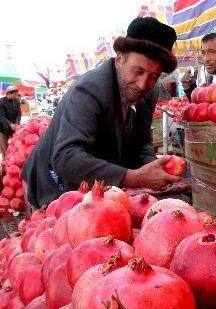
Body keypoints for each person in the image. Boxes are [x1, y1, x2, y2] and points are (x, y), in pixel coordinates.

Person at [22, 17, 181, 209]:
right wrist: (133, 177)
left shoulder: (149, 91)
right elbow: (66, 156)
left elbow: (141, 144)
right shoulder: (89, 90)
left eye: (153, 76)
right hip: (53, 182)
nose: (142, 84)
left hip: (99, 185)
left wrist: (156, 170)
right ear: (120, 60)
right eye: (138, 71)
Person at [0, 86, 22, 158]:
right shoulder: (1, 102)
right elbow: (1, 116)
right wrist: (10, 124)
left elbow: (19, 113)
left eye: (16, 94)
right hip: (2, 128)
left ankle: (13, 161)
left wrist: (16, 123)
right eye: (14, 94)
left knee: (14, 146)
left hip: (13, 127)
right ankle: (5, 165)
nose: (16, 96)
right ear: (9, 93)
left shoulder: (17, 101)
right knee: (5, 148)